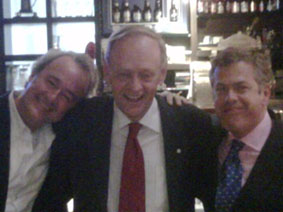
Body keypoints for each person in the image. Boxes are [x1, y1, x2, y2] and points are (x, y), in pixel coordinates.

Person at [34, 25, 215, 212]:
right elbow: (51, 197)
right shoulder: (81, 122)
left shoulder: (191, 125)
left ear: (161, 74)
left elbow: (215, 199)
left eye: (145, 75)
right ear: (107, 71)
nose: (135, 87)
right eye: (124, 75)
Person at [0, 49, 97, 212]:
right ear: (32, 76)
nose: (52, 97)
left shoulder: (62, 140)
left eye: (67, 97)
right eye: (51, 83)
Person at [209, 47, 283, 211]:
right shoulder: (208, 139)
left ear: (265, 93)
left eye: (241, 88)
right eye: (221, 89)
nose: (230, 98)